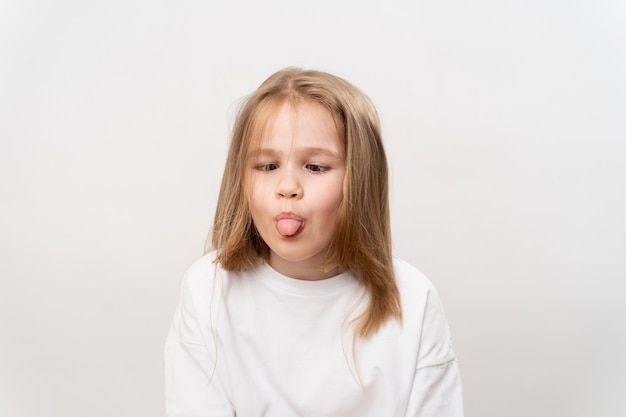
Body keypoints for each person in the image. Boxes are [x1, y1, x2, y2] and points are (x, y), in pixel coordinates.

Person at [164, 67, 464, 416]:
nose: (287, 186)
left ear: (359, 180)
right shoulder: (209, 290)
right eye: (267, 166)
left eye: (316, 167)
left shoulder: (413, 300)